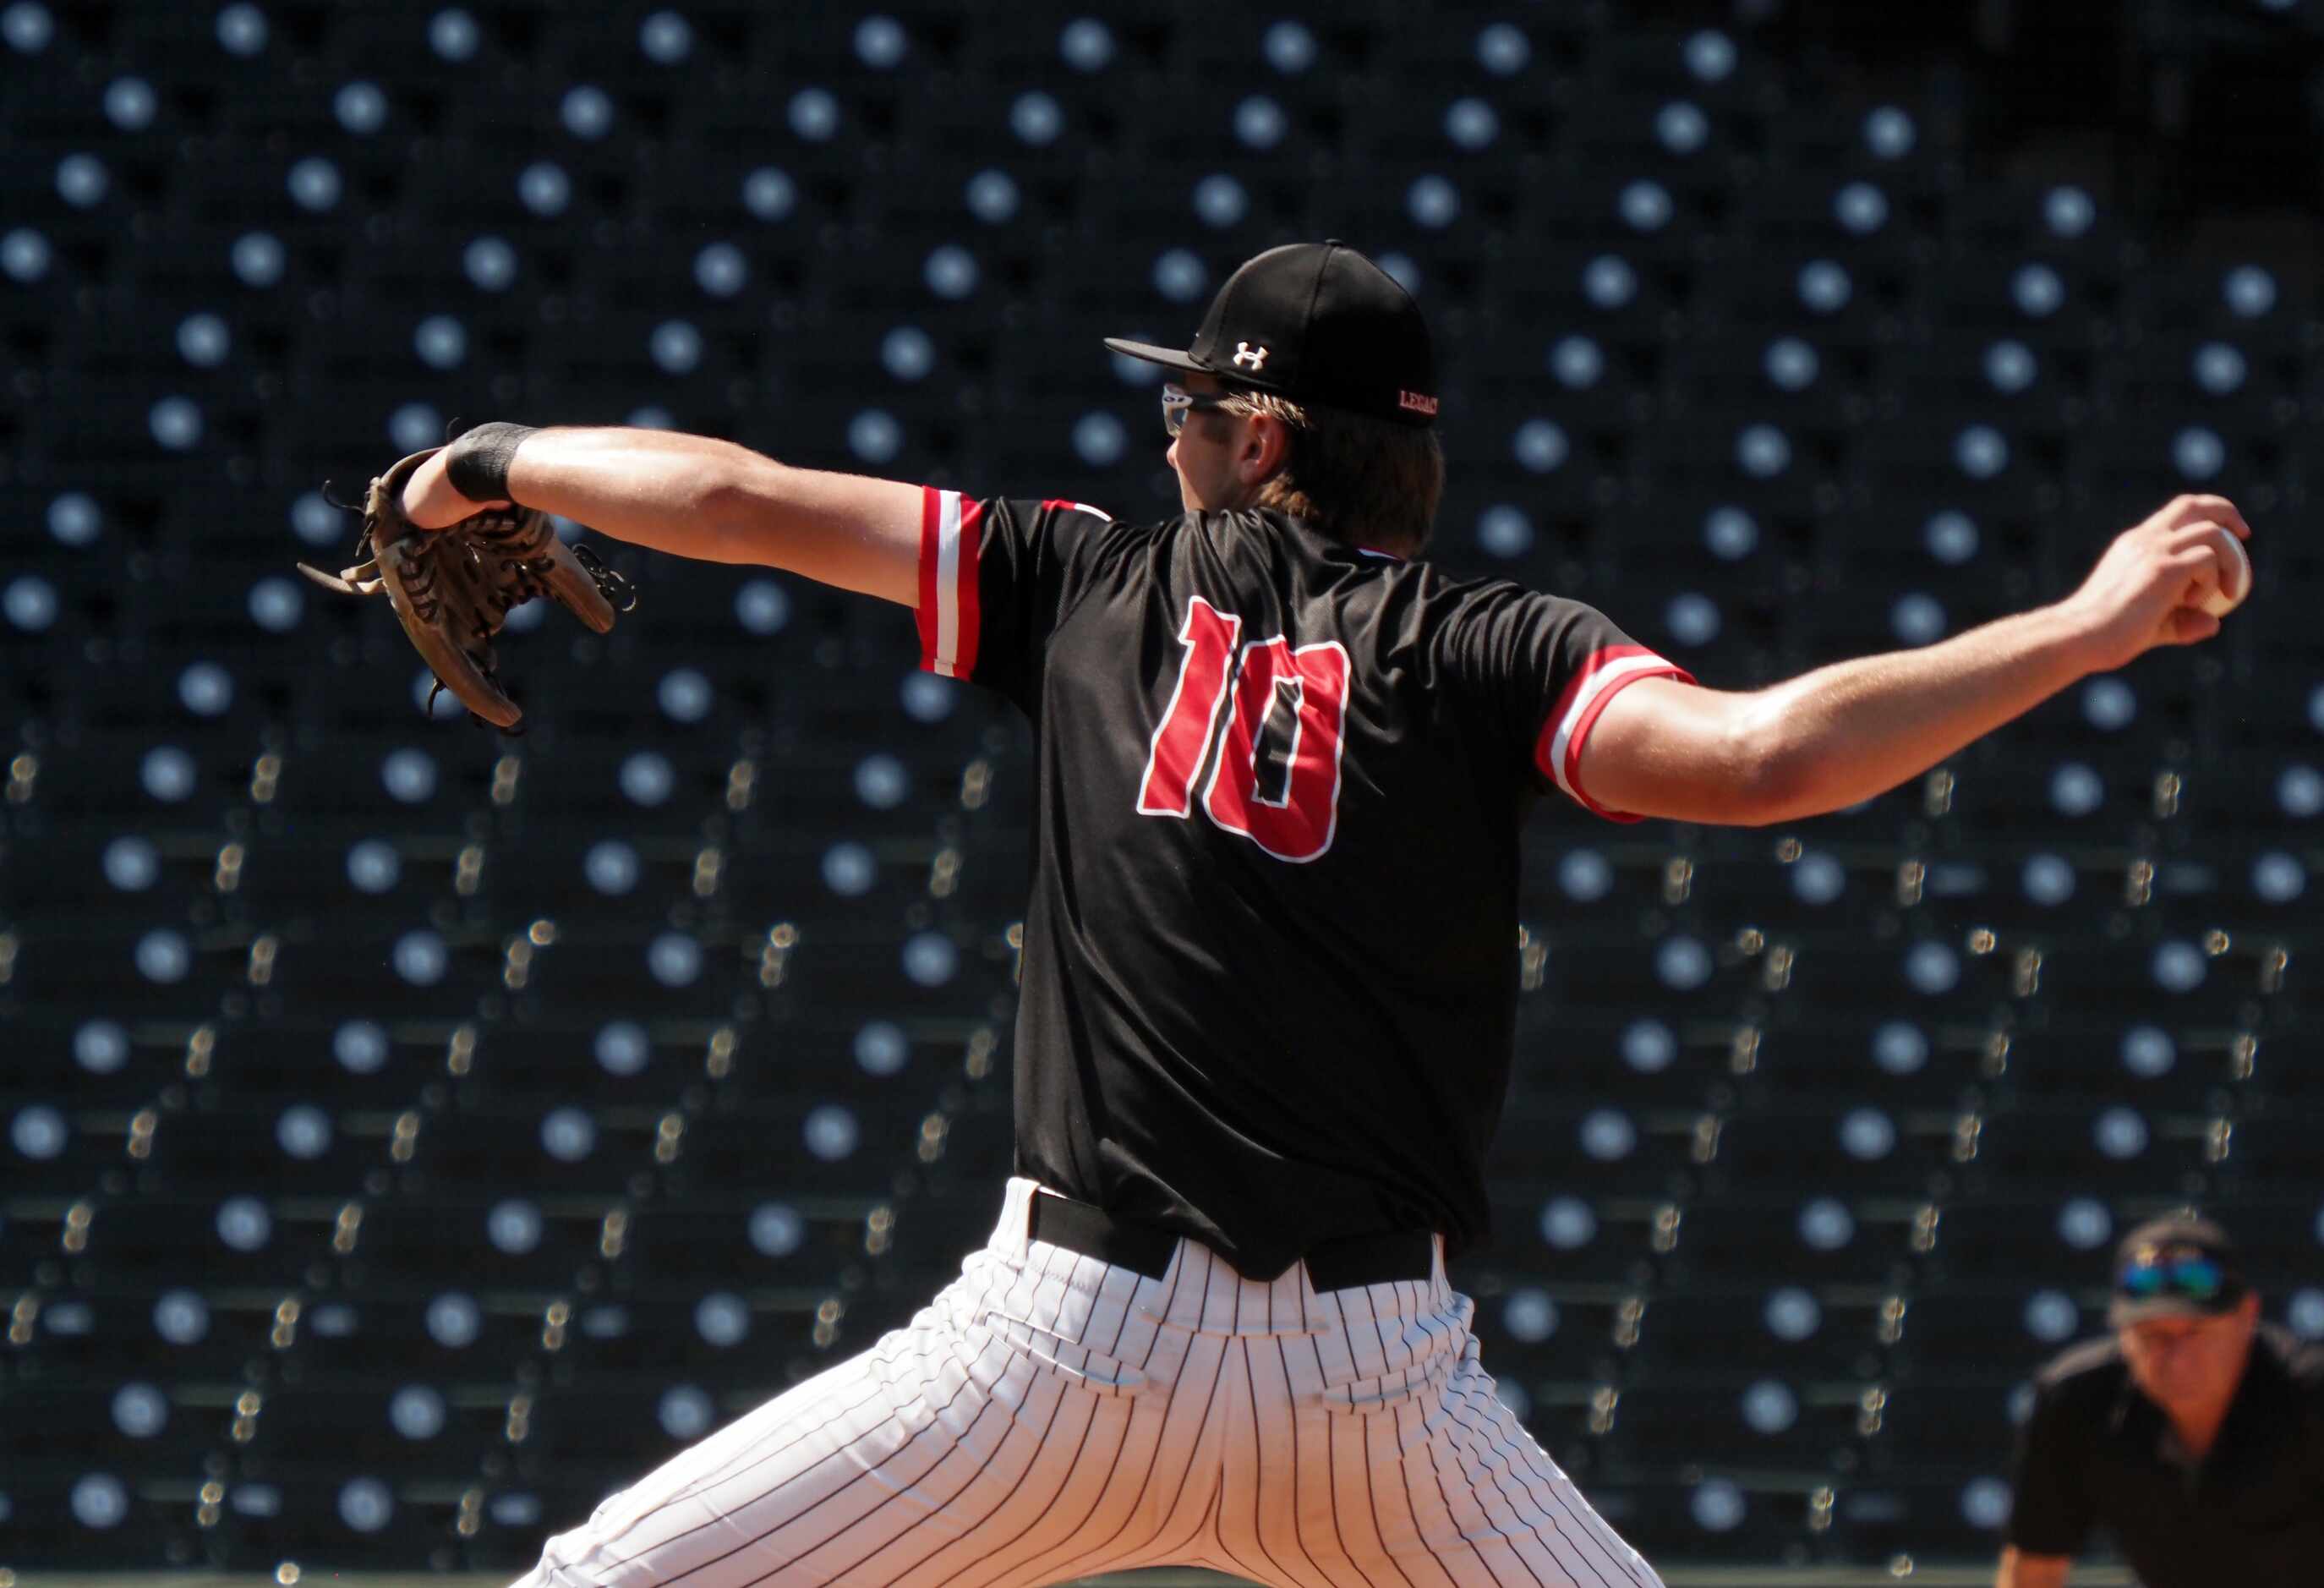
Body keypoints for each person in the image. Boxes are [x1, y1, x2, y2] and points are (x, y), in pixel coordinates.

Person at [396, 240, 2250, 1588]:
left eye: (1195, 404)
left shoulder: (1084, 578)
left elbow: (729, 493)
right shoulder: (1490, 647)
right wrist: (2086, 626)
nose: (1172, 435)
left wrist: (486, 459)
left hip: (1062, 1357)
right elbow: (1770, 759)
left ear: (1267, 437)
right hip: (1380, 1410)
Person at [1996, 1215, 2324, 1587]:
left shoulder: (2311, 1396)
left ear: (2247, 1315)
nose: (2178, 1358)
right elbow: (2033, 1571)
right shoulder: (2074, 1401)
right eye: (2153, 1337)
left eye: (2196, 1333)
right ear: (2121, 1333)